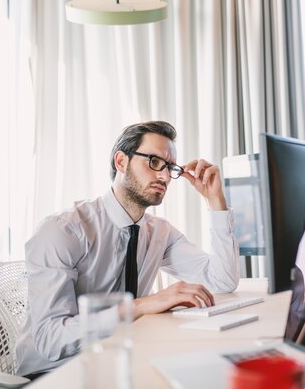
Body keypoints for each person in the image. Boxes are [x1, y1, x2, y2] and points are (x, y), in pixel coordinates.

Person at [15, 121, 239, 377]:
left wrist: (215, 199)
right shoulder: (63, 230)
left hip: (118, 360)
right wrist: (141, 306)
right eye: (154, 162)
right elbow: (50, 340)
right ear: (121, 161)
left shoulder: (159, 232)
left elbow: (223, 280)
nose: (165, 176)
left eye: (169, 168)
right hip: (52, 374)